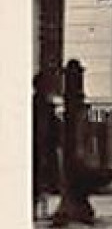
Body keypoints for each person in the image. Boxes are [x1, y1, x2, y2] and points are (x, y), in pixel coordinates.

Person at [32, 71, 59, 220]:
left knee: (41, 179)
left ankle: (39, 209)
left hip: (42, 146)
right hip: (41, 147)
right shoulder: (44, 105)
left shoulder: (39, 104)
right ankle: (38, 210)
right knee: (39, 179)